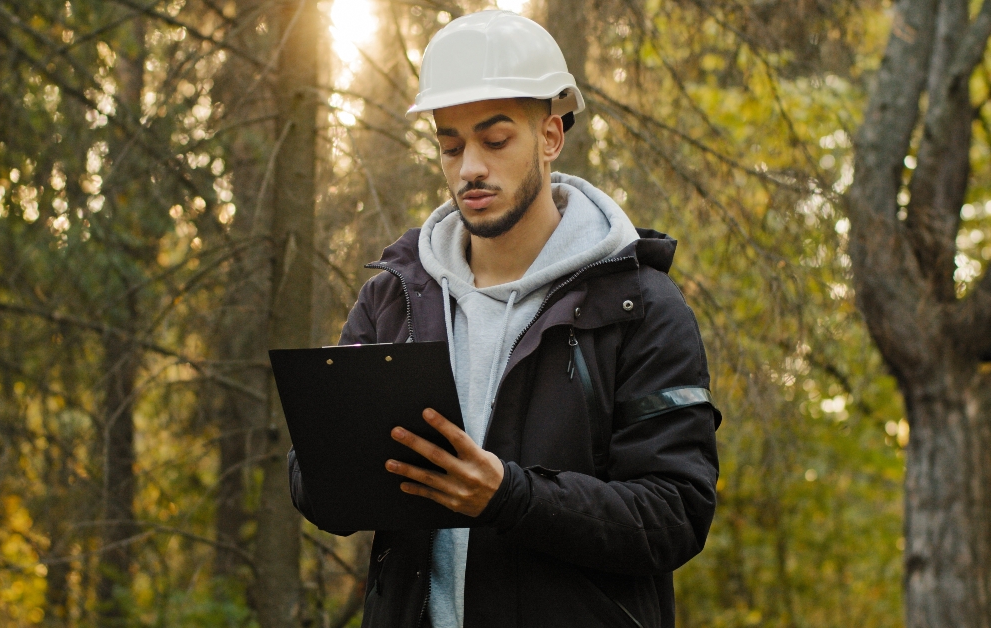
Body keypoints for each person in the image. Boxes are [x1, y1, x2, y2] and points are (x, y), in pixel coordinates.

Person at [288, 10, 720, 628]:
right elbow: (319, 493)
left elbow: (674, 516)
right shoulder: (394, 299)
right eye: (450, 144)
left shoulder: (641, 307)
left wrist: (510, 498)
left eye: (495, 141)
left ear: (549, 136)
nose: (469, 168)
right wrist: (332, 450)